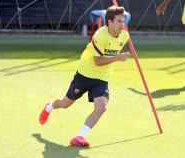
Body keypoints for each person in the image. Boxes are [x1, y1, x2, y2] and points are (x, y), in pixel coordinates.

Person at [38, 6, 130, 147]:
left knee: (101, 107)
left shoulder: (124, 35)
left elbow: (127, 48)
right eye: (119, 21)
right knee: (65, 104)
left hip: (102, 78)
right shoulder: (100, 35)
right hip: (85, 75)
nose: (122, 25)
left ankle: (79, 137)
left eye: (123, 21)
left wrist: (133, 56)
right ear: (109, 22)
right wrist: (118, 57)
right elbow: (98, 61)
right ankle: (50, 106)